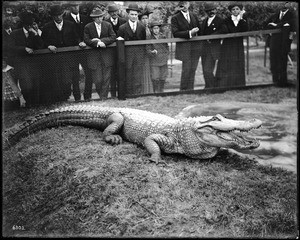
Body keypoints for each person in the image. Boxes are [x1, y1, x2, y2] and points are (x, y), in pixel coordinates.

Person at [41, 4, 81, 103]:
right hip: (56, 59)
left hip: (70, 58)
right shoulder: (47, 27)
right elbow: (42, 42)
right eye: (55, 15)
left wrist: (80, 42)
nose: (58, 17)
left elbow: (77, 38)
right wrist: (48, 46)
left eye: (60, 15)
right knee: (60, 80)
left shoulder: (70, 24)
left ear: (62, 14)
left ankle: (78, 99)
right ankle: (62, 100)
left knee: (74, 79)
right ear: (52, 16)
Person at [11, 11, 44, 107]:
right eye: (29, 25)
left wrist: (36, 34)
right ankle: (28, 105)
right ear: (24, 25)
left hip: (34, 64)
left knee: (36, 84)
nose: (31, 26)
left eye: (33, 24)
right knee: (26, 85)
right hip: (21, 64)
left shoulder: (34, 33)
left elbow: (41, 46)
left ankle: (36, 106)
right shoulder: (15, 34)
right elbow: (11, 48)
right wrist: (24, 49)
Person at [83, 8, 116, 100]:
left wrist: (102, 41)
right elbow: (86, 40)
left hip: (106, 55)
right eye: (97, 17)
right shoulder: (88, 27)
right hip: (94, 57)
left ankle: (103, 97)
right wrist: (96, 43)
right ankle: (101, 94)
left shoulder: (108, 25)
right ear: (93, 18)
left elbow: (113, 37)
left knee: (106, 78)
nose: (100, 19)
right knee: (97, 80)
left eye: (101, 17)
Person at [64, 2, 92, 101]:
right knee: (75, 75)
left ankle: (88, 95)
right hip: (73, 52)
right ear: (70, 7)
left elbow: (89, 33)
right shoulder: (66, 19)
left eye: (77, 5)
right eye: (73, 6)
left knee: (89, 72)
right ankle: (77, 97)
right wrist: (78, 42)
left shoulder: (85, 18)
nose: (76, 8)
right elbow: (67, 35)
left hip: (85, 51)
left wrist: (85, 42)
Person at [215, 2, 248, 88]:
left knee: (238, 63)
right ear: (230, 11)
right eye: (233, 9)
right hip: (228, 46)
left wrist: (241, 19)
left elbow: (245, 30)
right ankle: (224, 85)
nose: (235, 11)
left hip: (238, 46)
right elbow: (233, 31)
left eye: (237, 9)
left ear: (240, 10)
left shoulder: (243, 20)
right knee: (226, 64)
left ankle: (238, 85)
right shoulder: (226, 20)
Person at [171, 1, 202, 91]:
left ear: (188, 4)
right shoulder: (175, 18)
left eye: (185, 3)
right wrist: (189, 33)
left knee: (193, 70)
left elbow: (200, 31)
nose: (183, 5)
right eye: (182, 3)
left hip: (195, 48)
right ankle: (183, 90)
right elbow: (175, 33)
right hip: (184, 49)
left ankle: (190, 90)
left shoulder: (194, 16)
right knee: (186, 70)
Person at [117, 3, 146, 95]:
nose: (134, 16)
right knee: (128, 75)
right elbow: (119, 44)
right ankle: (129, 94)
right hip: (127, 56)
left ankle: (137, 93)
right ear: (128, 14)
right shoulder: (122, 28)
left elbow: (143, 43)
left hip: (139, 56)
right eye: (132, 14)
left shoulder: (142, 27)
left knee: (138, 75)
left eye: (136, 15)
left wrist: (142, 55)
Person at [265, 2, 296, 87]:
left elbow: (292, 23)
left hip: (284, 42)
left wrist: (277, 25)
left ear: (288, 4)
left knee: (282, 61)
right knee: (274, 61)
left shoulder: (292, 15)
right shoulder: (275, 15)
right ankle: (275, 81)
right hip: (274, 42)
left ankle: (283, 82)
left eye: (285, 3)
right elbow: (265, 24)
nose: (282, 5)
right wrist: (271, 29)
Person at [201, 3, 226, 89]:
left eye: (213, 10)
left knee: (207, 70)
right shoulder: (204, 21)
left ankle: (213, 87)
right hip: (204, 50)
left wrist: (211, 37)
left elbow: (223, 31)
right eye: (208, 10)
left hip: (214, 49)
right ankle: (208, 86)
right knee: (205, 70)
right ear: (206, 12)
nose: (211, 12)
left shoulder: (220, 20)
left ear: (215, 10)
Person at [105, 4, 127, 98]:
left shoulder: (123, 21)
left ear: (118, 12)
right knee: (112, 72)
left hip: (122, 52)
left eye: (115, 11)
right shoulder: (105, 23)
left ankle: (123, 93)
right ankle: (113, 94)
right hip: (110, 52)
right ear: (109, 13)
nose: (114, 13)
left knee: (122, 71)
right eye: (112, 12)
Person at [147, 22, 170, 93]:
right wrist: (151, 52)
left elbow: (167, 47)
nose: (156, 30)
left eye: (157, 28)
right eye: (154, 28)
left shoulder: (163, 36)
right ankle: (155, 91)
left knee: (163, 76)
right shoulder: (149, 38)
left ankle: (161, 90)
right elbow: (147, 49)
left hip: (163, 59)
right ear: (151, 29)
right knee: (155, 76)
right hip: (154, 60)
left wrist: (166, 55)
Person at [139, 7, 154, 94]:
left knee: (150, 71)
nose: (145, 20)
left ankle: (149, 90)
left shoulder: (149, 28)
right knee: (144, 72)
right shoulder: (140, 28)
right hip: (143, 54)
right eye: (143, 18)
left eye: (146, 18)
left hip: (150, 54)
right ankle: (144, 91)